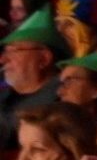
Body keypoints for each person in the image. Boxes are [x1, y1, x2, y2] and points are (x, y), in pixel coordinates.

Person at [0, 8, 67, 151]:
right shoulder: (4, 87)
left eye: (14, 50)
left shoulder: (60, 101)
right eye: (5, 51)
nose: (3, 59)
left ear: (43, 59)